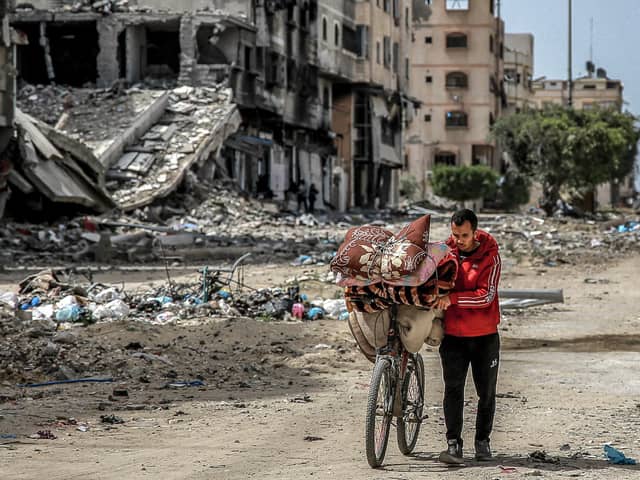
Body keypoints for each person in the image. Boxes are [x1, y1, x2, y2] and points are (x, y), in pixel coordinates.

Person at [434, 208, 502, 464]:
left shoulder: (491, 256)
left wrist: (451, 299)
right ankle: (453, 444)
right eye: (455, 234)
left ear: (475, 232)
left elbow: (486, 296)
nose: (458, 240)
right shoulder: (447, 251)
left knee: (486, 392)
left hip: (485, 337)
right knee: (453, 389)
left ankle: (482, 442)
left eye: (463, 235)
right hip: (453, 336)